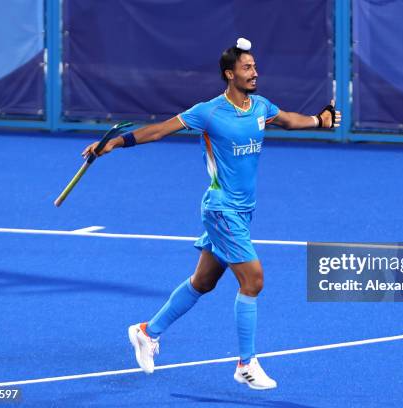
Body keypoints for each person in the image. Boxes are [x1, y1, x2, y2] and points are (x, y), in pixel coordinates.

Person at [82, 37, 341, 390]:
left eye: (254, 67)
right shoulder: (209, 112)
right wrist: (113, 142)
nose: (255, 73)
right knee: (253, 280)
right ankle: (246, 364)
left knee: (203, 281)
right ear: (229, 74)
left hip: (243, 212)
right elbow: (159, 130)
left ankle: (146, 331)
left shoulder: (260, 106)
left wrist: (320, 120)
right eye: (247, 68)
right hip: (221, 210)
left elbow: (290, 120)